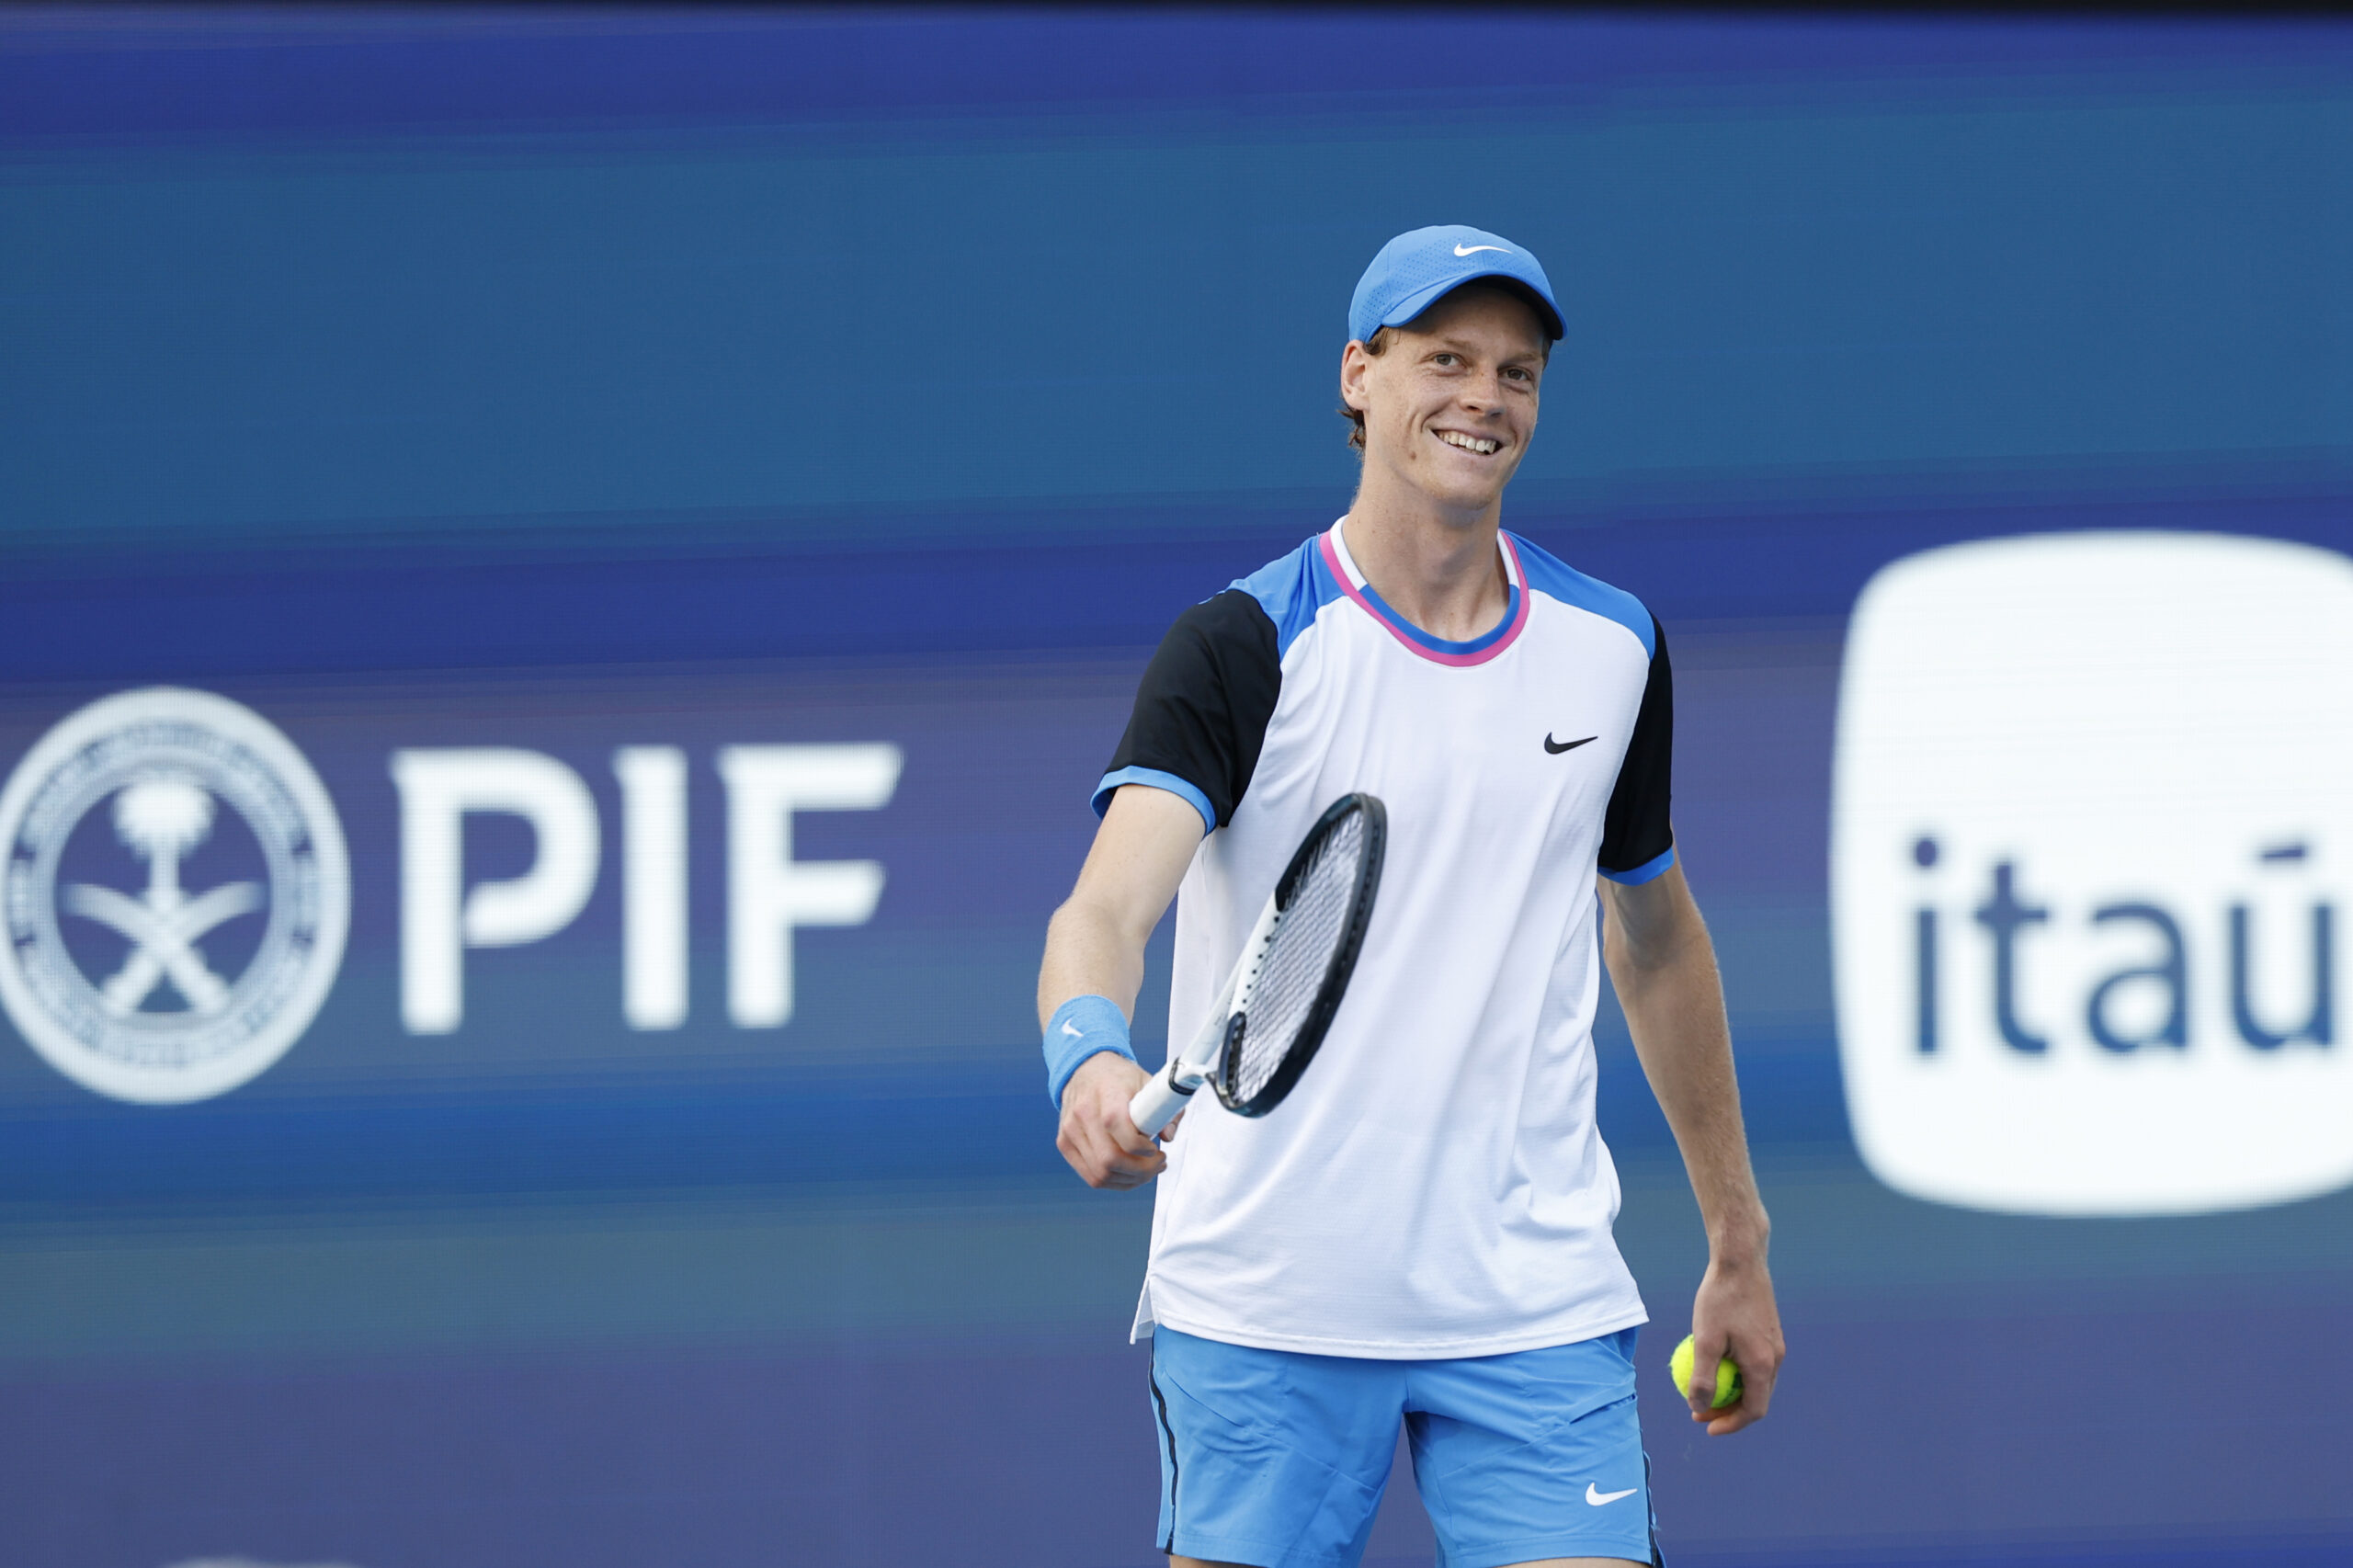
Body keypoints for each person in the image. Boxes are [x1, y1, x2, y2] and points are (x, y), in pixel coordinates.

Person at [1037, 225, 1783, 1568]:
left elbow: (1657, 942)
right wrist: (1086, 1052)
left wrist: (1737, 1235)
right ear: (1359, 378)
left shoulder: (1610, 648)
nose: (1483, 399)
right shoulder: (1242, 645)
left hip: (1531, 1300)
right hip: (1268, 1304)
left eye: (1516, 372)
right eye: (1445, 359)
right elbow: (1102, 911)